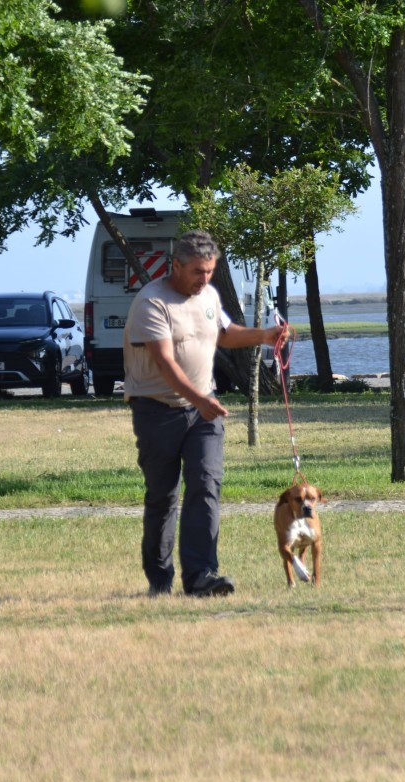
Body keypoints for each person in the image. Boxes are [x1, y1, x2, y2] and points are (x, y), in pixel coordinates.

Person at [123, 230, 291, 597]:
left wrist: (265, 335)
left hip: (203, 412)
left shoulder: (209, 296)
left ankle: (201, 577)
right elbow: (165, 362)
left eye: (210, 271)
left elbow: (224, 334)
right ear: (176, 265)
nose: (204, 279)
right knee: (163, 497)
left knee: (205, 484)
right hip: (156, 411)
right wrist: (199, 398)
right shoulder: (152, 302)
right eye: (198, 271)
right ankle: (160, 580)